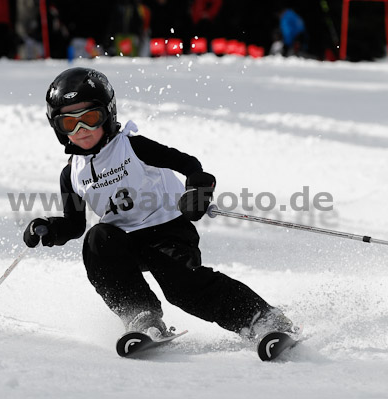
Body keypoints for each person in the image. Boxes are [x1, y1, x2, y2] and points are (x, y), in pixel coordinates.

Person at [23, 67, 296, 339]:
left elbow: (191, 166)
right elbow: (74, 224)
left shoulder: (132, 147)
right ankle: (141, 316)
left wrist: (198, 191)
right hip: (124, 242)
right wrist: (49, 228)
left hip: (167, 232)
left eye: (91, 118)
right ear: (58, 128)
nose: (82, 130)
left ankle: (261, 318)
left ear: (108, 114)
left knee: (182, 289)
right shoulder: (71, 173)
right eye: (70, 123)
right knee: (97, 240)